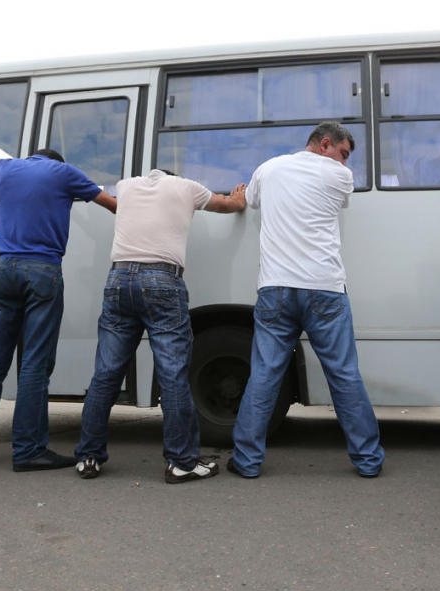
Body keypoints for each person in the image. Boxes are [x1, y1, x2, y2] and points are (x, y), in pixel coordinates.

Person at [228, 121, 385, 479]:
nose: (345, 164)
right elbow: (339, 201)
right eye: (343, 154)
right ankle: (368, 460)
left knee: (265, 374)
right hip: (324, 289)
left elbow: (246, 200)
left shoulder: (268, 168)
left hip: (275, 288)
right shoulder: (338, 176)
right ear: (326, 144)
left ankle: (247, 462)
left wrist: (243, 190)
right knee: (344, 375)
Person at [73, 169, 247, 483]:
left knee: (106, 373)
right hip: (161, 281)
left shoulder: (126, 187)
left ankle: (88, 456)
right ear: (173, 176)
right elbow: (223, 205)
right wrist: (237, 201)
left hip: (118, 280)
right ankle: (182, 462)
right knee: (173, 373)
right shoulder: (186, 187)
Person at [0, 150, 116, 471]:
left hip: (4, 270)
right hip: (42, 271)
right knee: (34, 363)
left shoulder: (5, 168)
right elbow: (113, 204)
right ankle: (28, 451)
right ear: (56, 163)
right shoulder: (65, 173)